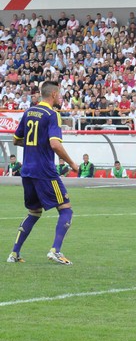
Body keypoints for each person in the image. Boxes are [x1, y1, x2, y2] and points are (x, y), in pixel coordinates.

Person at [7, 81, 78, 265]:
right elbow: (55, 144)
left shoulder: (28, 112)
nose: (60, 97)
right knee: (66, 209)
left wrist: (35, 144)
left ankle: (14, 253)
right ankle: (56, 250)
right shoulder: (52, 115)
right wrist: (71, 163)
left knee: (34, 212)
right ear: (53, 94)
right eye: (60, 94)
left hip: (27, 170)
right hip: (44, 171)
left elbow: (16, 140)